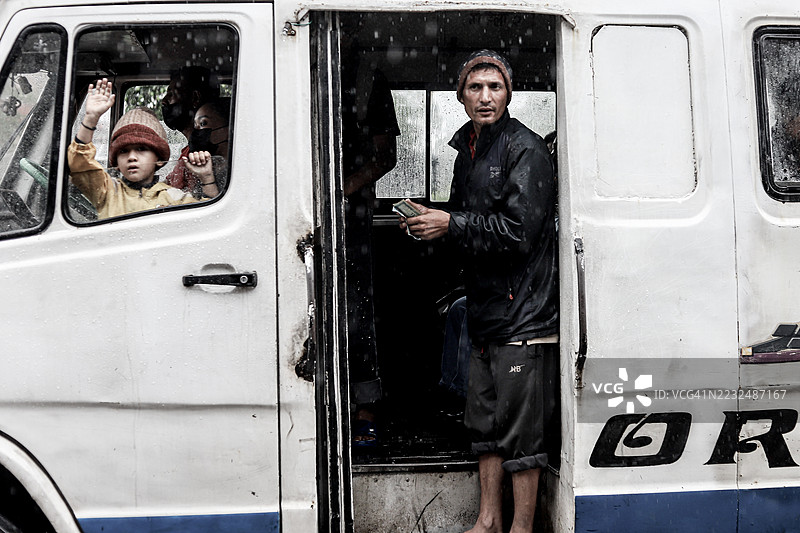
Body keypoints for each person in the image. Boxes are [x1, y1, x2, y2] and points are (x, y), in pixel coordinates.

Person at [398, 50, 558, 533]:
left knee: (520, 433)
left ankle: (521, 527)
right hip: (485, 310)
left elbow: (518, 232)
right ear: (461, 96)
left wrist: (452, 223)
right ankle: (487, 521)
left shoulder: (524, 149)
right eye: (475, 88)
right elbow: (466, 221)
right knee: (483, 424)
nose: (485, 97)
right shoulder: (467, 148)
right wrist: (433, 223)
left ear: (509, 94)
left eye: (495, 87)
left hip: (522, 312)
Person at [341, 30, 401, 447]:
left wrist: (341, 189)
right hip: (297, 211)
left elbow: (386, 154)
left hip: (351, 212)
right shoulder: (287, 65)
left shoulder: (368, 79)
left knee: (357, 306)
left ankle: (365, 406)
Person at [69, 79, 204, 219]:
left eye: (141, 149)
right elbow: (79, 163)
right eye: (123, 151)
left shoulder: (173, 197)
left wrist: (207, 177)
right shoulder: (107, 191)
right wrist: (91, 118)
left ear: (159, 158)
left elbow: (206, 217)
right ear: (115, 163)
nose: (132, 156)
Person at [162, 66, 221, 196]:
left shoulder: (204, 157)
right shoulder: (188, 151)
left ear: (194, 98)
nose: (164, 101)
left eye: (171, 94)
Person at [180, 97, 231, 198]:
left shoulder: (236, 171)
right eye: (195, 126)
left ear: (228, 131)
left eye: (203, 123)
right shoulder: (202, 164)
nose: (196, 131)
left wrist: (207, 178)